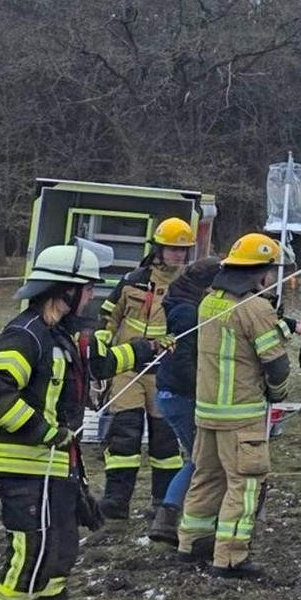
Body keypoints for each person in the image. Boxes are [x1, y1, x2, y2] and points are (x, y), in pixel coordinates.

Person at [0, 244, 157, 600]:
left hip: (57, 468)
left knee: (60, 550)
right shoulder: (26, 335)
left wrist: (145, 350)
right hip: (23, 467)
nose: (92, 297)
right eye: (88, 289)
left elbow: (98, 364)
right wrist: (45, 431)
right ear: (66, 291)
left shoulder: (63, 336)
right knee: (31, 550)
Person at [176, 233, 292, 578]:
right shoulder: (256, 307)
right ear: (262, 272)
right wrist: (279, 393)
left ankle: (192, 543)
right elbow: (276, 364)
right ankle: (229, 557)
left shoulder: (210, 301)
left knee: (206, 478)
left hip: (208, 410)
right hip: (242, 414)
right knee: (245, 484)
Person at [97, 217, 193, 520]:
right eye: (172, 249)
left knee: (165, 440)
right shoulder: (133, 280)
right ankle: (115, 501)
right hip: (127, 368)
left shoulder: (190, 285)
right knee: (125, 433)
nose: (178, 255)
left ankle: (162, 505)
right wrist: (100, 353)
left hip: (164, 372)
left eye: (183, 251)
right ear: (159, 249)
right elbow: (108, 317)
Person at [147, 256, 222, 546]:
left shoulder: (185, 306)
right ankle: (167, 516)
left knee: (199, 456)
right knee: (201, 458)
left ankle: (172, 514)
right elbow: (181, 362)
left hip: (176, 394)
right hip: (179, 396)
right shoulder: (186, 313)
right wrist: (202, 389)